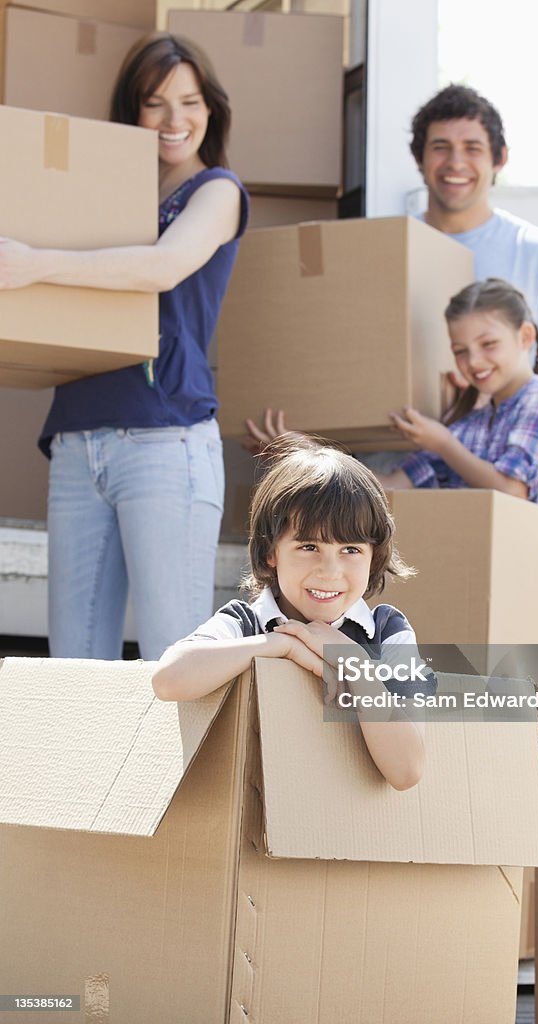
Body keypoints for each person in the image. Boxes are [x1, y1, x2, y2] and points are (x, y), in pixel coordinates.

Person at [0, 32, 249, 660]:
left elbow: (162, 267)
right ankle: (83, 766)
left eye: (190, 102)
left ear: (211, 109)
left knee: (174, 657)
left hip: (164, 441)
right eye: (155, 103)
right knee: (74, 666)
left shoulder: (217, 192)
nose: (175, 120)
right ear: (131, 111)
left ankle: (178, 767)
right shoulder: (99, 194)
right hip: (78, 437)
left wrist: (34, 264)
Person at [152, 436, 434, 791]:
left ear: (373, 556)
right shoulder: (246, 622)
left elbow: (406, 771)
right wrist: (281, 645)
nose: (329, 571)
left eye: (350, 549)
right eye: (309, 546)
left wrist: (353, 662)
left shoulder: (388, 631)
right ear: (271, 552)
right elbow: (168, 680)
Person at [376, 278, 538, 641]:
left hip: (529, 610)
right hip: (471, 603)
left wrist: (443, 443)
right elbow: (390, 486)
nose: (474, 361)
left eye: (488, 345)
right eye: (461, 350)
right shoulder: (467, 427)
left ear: (525, 336)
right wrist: (306, 454)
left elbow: (512, 492)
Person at [410, 83, 538, 413]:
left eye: (472, 148)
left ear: (500, 158)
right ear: (419, 158)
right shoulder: (386, 249)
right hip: (391, 459)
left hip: (494, 459)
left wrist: (496, 409)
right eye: (441, 147)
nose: (455, 162)